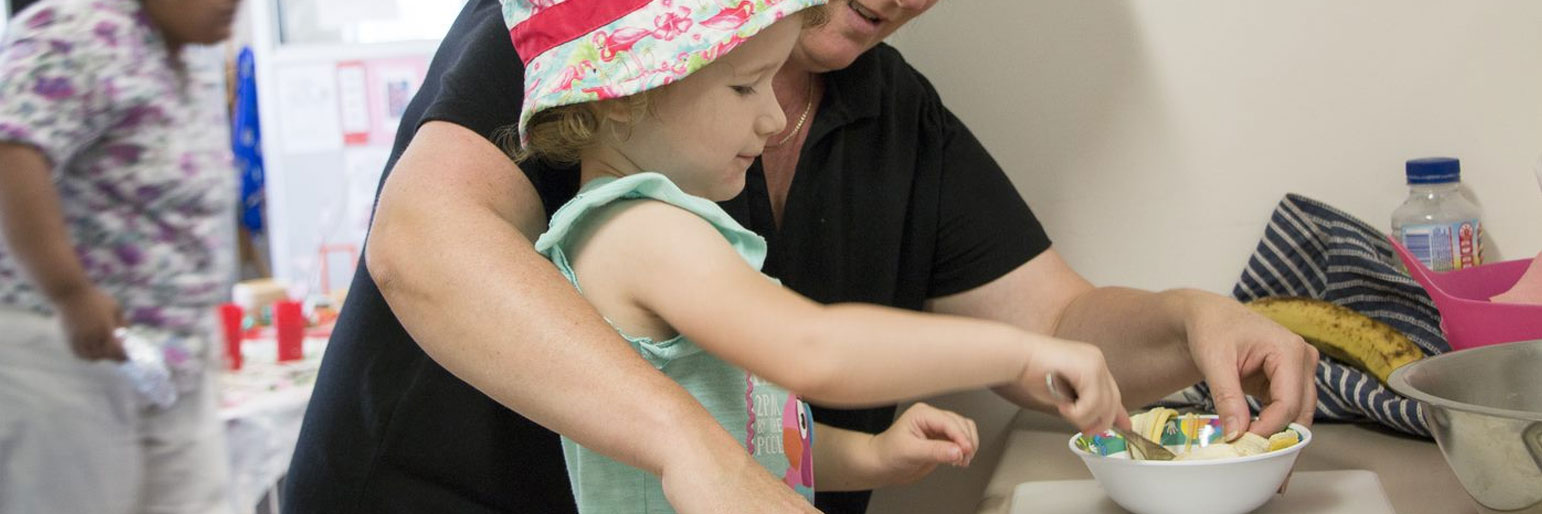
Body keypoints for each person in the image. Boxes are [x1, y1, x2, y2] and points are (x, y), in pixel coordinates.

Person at [285, 1, 1320, 513]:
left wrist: (1190, 320)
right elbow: (424, 238)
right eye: (745, 88)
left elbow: (1050, 327)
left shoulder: (891, 110)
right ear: (625, 91)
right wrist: (693, 449)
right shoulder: (605, 26)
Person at [506, 0, 1129, 509]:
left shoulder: (667, 227)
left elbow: (751, 430)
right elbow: (814, 350)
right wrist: (1019, 351)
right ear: (626, 96)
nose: (775, 118)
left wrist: (873, 455)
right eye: (746, 86)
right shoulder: (637, 231)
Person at [0, 0, 242, 513]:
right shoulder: (79, 30)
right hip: (68, 352)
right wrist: (70, 292)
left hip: (169, 356)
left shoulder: (183, 55)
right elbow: (11, 149)